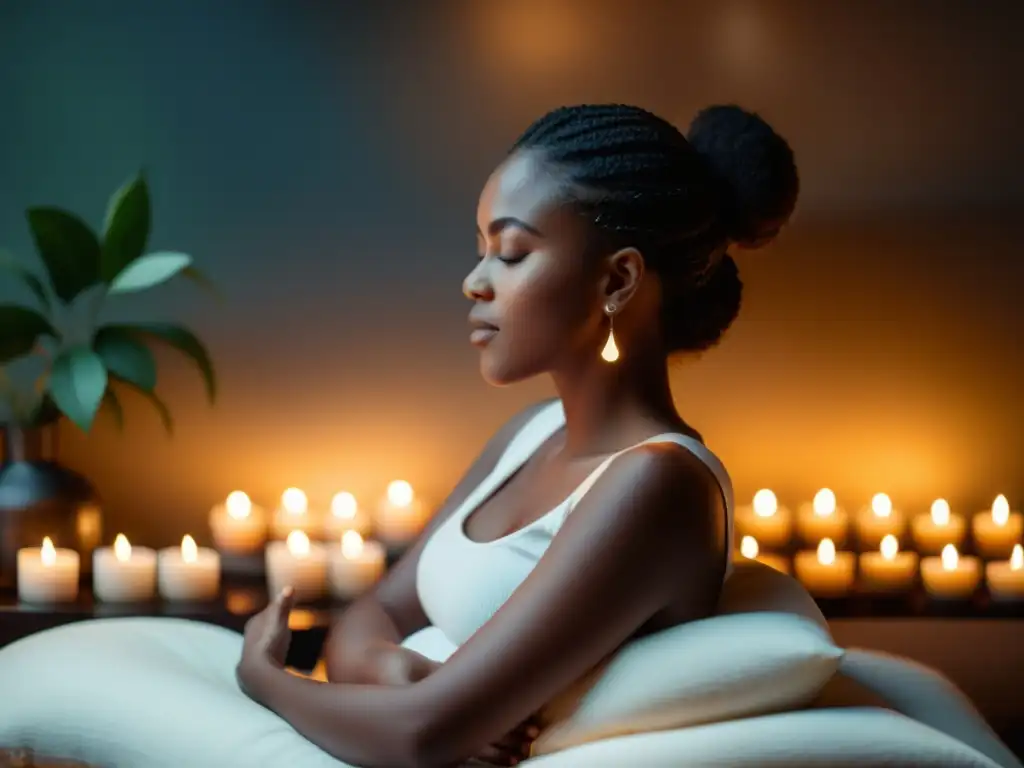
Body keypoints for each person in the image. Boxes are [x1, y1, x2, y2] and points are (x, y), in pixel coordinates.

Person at [236, 103, 799, 767]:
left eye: (510, 254)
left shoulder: (659, 483)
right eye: (482, 253)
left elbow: (420, 736)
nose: (474, 283)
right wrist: (395, 675)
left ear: (617, 280)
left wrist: (264, 680)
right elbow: (371, 613)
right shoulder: (531, 433)